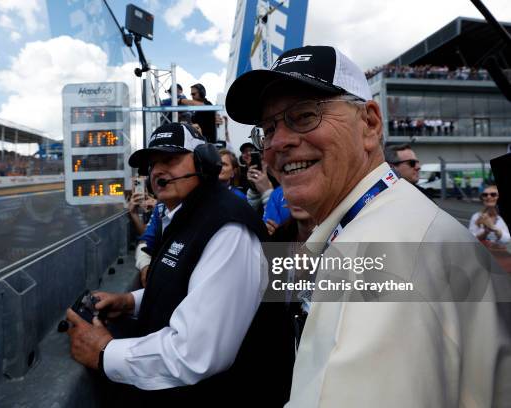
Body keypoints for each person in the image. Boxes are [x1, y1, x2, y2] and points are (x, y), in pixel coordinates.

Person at [226, 45, 510, 407]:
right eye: (267, 129)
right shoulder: (378, 222)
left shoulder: (379, 251)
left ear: (370, 124)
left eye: (304, 115)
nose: (278, 142)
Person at [66, 122, 292, 406]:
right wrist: (129, 301)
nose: (158, 171)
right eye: (152, 164)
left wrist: (103, 351)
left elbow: (195, 354)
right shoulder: (186, 215)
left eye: (170, 159)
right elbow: (190, 288)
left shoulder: (227, 228)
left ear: (205, 163)